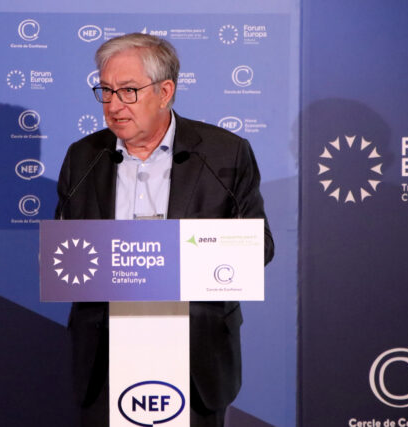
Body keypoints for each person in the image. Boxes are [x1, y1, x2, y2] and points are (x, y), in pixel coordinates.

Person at [55, 33, 274, 427]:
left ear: (165, 91)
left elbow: (260, 247)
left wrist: (174, 259)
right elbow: (63, 250)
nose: (113, 105)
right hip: (104, 353)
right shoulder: (82, 157)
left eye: (128, 91)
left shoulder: (224, 154)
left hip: (196, 352)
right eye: (105, 91)